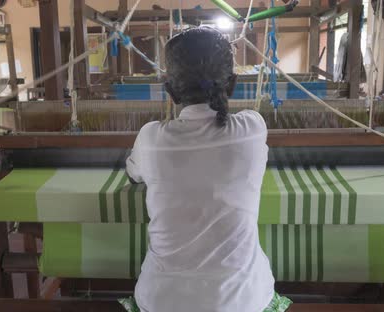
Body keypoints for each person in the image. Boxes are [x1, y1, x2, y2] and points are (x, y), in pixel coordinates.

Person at [120, 27, 291, 312]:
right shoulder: (252, 129)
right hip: (242, 301)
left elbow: (133, 173)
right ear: (233, 84)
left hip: (162, 301)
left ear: (170, 91)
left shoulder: (151, 139)